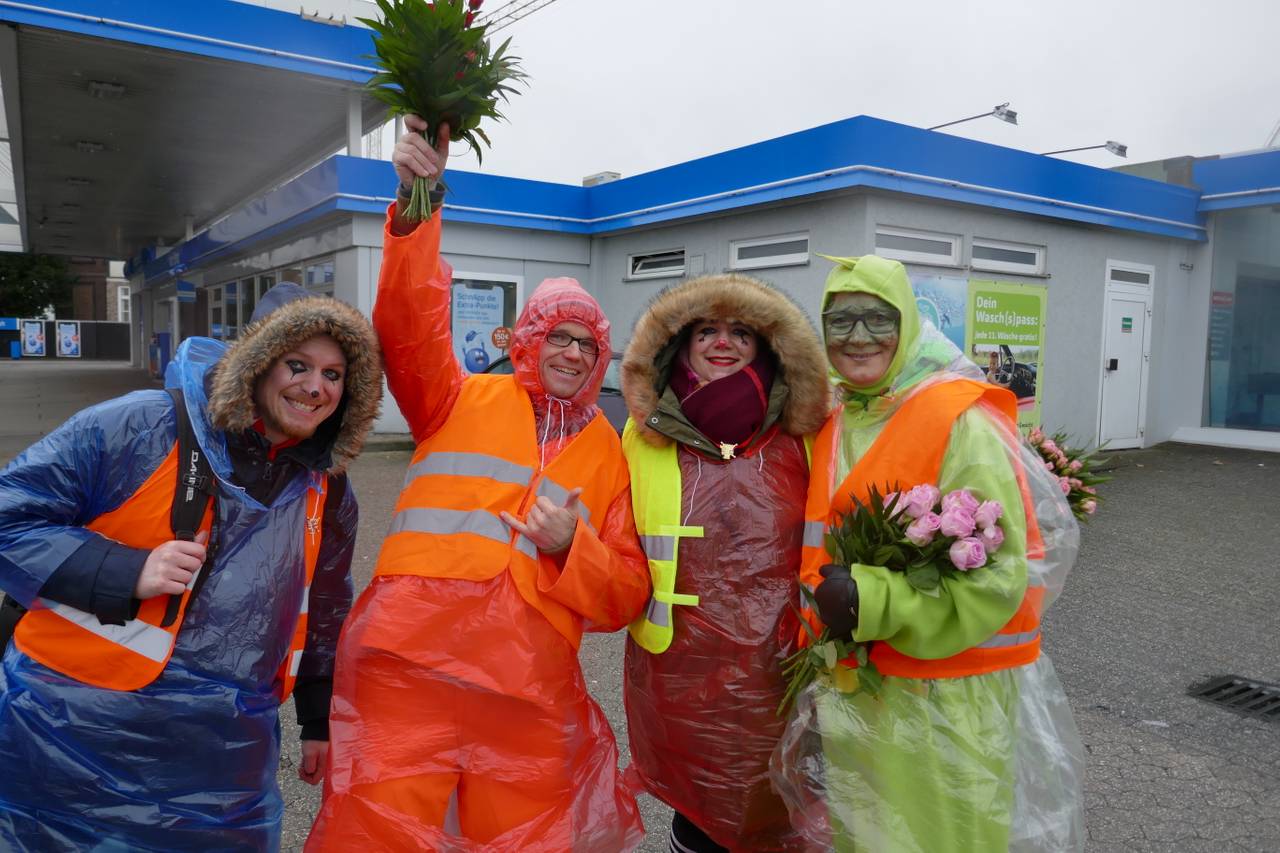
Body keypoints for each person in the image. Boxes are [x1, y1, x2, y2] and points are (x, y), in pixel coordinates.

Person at [307, 115, 651, 851]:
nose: (571, 352)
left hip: (526, 687)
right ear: (527, 339)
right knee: (377, 832)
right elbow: (409, 323)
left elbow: (626, 593)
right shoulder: (455, 397)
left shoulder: (610, 449)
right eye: (557, 335)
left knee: (525, 839)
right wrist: (417, 207)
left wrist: (572, 547)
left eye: (586, 343)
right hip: (410, 664)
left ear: (602, 358)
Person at [0, 283, 381, 849]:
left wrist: (319, 719)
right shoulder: (140, 426)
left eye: (333, 374)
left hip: (225, 754)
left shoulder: (326, 488)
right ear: (256, 364)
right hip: (74, 737)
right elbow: (10, 517)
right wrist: (127, 571)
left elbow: (324, 606)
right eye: (297, 365)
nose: (314, 387)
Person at [771, 254, 1084, 852]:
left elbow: (1000, 576)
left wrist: (873, 600)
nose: (858, 336)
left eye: (877, 318)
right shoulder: (838, 419)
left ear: (908, 323)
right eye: (840, 321)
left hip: (945, 698)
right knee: (866, 837)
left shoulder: (956, 419)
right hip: (858, 690)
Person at [619, 275, 829, 852]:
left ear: (766, 346)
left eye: (740, 331)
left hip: (783, 666)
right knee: (697, 808)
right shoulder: (642, 435)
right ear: (680, 345)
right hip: (679, 669)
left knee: (782, 799)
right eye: (706, 330)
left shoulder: (809, 435)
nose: (722, 342)